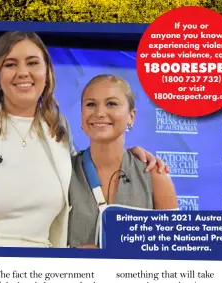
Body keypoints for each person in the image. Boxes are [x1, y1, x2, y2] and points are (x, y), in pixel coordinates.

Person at [0, 31, 167, 248]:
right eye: (11, 64)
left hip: (46, 266)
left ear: (47, 73)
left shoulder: (58, 130)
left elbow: (92, 162)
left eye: (32, 63)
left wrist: (130, 152)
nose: (23, 72)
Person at [67, 74, 178, 249]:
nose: (99, 113)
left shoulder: (155, 176)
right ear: (82, 115)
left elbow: (173, 252)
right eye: (90, 105)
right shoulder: (63, 172)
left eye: (111, 104)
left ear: (131, 117)